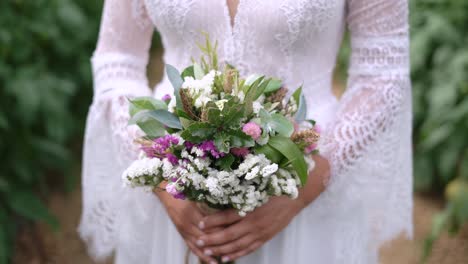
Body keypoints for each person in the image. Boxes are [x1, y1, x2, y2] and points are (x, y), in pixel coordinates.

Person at [79, 0, 413, 263]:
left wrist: (306, 186)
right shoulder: (170, 185)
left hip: (307, 178)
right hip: (177, 185)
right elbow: (117, 58)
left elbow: (382, 68)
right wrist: (164, 181)